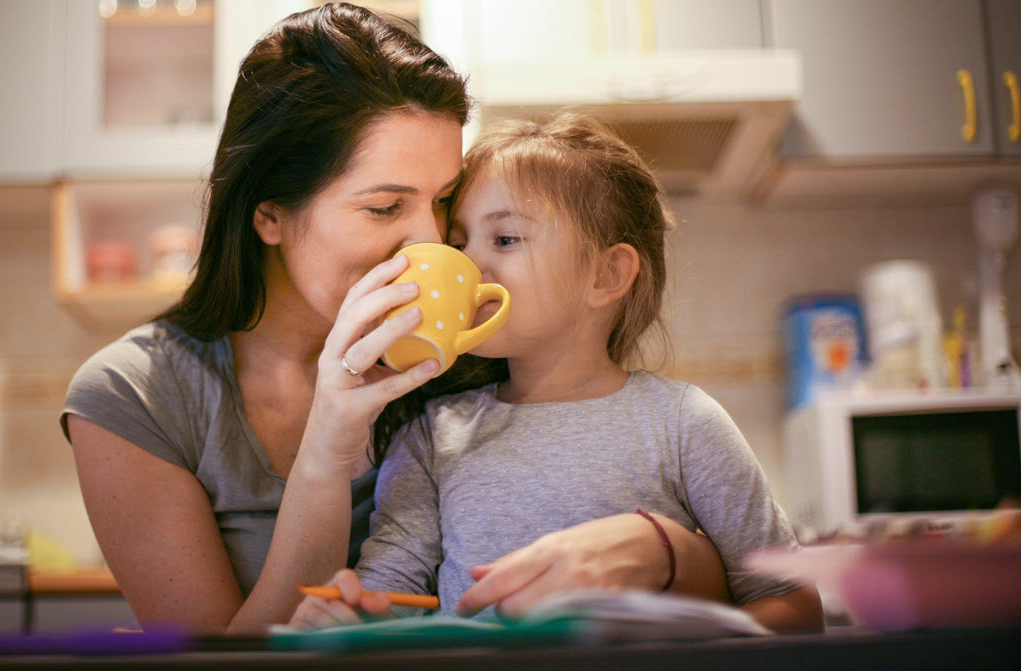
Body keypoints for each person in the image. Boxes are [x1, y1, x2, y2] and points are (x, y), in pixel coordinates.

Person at [62, 3, 730, 635]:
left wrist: (662, 545)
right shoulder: (131, 397)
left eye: (442, 202)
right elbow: (219, 668)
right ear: (268, 213)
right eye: (385, 208)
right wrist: (329, 438)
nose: (430, 243)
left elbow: (733, 576)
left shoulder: (472, 349)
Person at [290, 113, 823, 634]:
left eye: (505, 239)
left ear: (606, 275)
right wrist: (353, 613)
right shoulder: (431, 435)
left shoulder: (683, 423)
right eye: (458, 243)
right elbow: (390, 599)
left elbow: (793, 605)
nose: (469, 265)